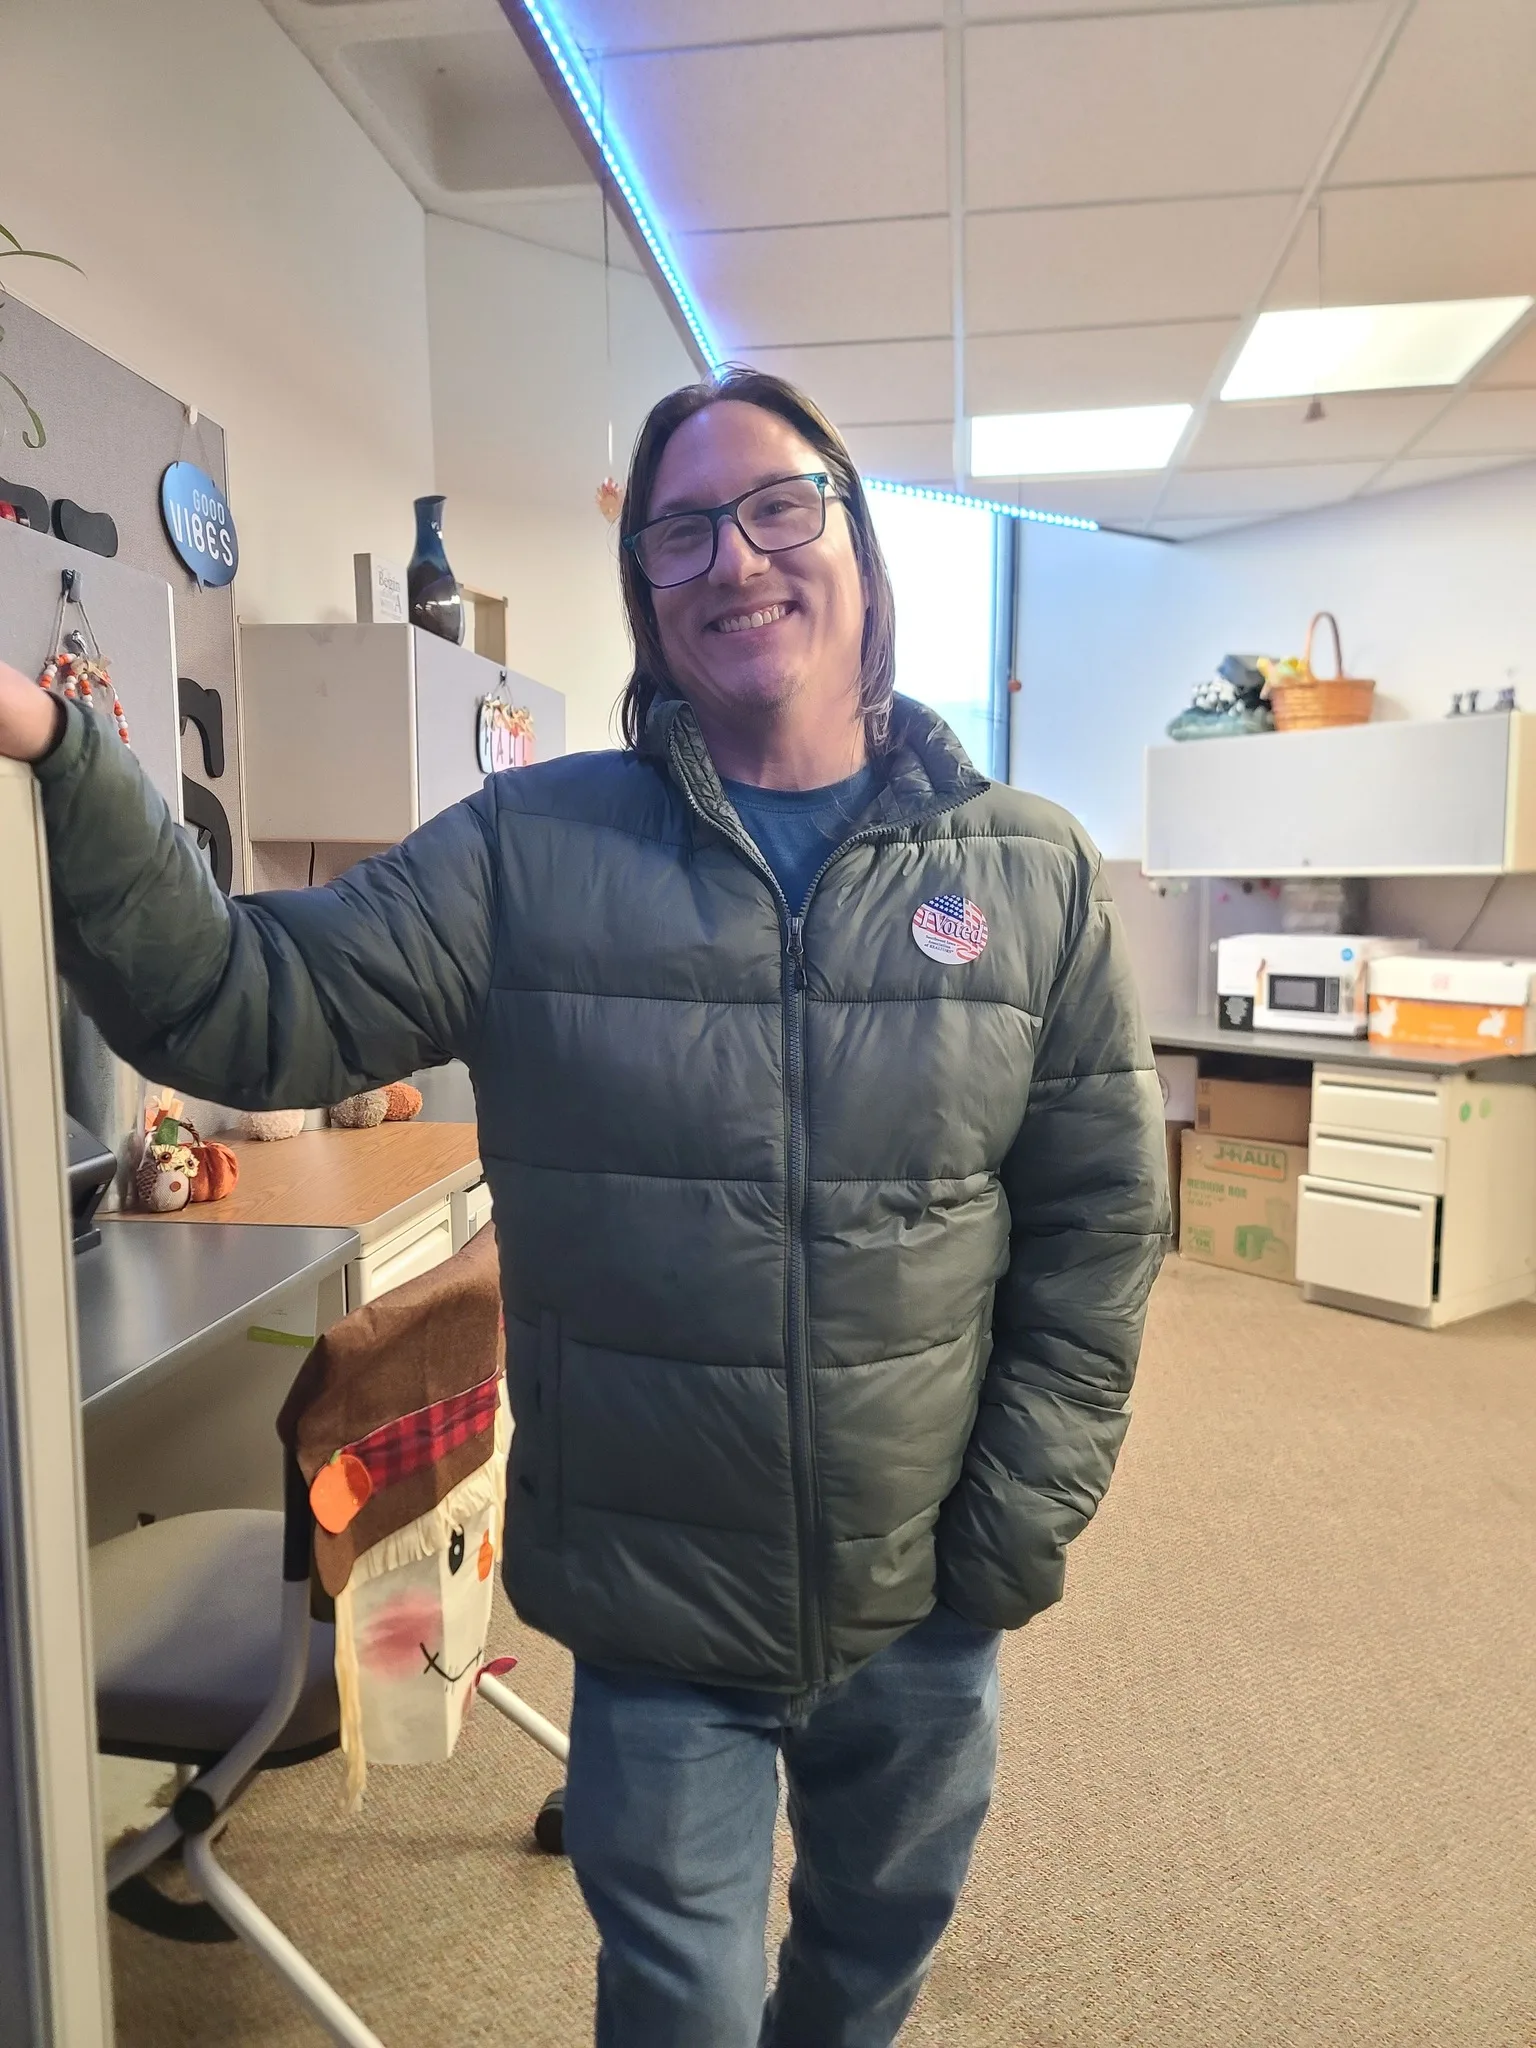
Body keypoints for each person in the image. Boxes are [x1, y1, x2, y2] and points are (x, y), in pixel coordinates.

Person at [0, 365, 1167, 2047]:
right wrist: (58, 751)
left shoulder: (1029, 874)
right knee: (676, 1998)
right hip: (654, 1599)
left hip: (927, 1586)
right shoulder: (529, 852)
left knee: (873, 1950)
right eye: (682, 532)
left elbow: (1101, 1228)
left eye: (779, 506)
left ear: (858, 545)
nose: (735, 557)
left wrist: (1011, 1533)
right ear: (648, 602)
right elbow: (241, 1007)